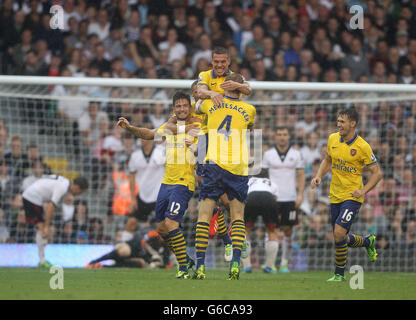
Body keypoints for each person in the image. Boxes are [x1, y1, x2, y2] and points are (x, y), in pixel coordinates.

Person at [117, 91, 199, 279]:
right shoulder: (169, 127)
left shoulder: (197, 126)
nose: (181, 108)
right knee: (161, 229)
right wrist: (129, 128)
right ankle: (185, 260)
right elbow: (149, 134)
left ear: (190, 107)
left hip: (183, 182)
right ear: (173, 109)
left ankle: (183, 267)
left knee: (171, 224)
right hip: (166, 183)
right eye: (178, 106)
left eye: (185, 105)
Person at [193, 72, 256, 280]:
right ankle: (236, 266)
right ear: (242, 89)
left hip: (214, 164)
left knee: (204, 215)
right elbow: (250, 126)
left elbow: (195, 104)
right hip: (238, 167)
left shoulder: (211, 104)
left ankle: (200, 267)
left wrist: (210, 93)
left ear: (227, 86)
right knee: (238, 217)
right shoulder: (249, 109)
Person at [311, 107, 383, 282]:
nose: (338, 125)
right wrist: (319, 176)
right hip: (335, 194)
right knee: (339, 236)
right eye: (338, 121)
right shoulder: (332, 139)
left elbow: (377, 173)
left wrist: (363, 191)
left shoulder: (363, 146)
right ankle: (367, 242)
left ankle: (339, 274)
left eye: (342, 122)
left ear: (353, 123)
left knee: (338, 232)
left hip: (353, 195)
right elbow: (328, 159)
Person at [262, 126, 306, 273]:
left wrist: (300, 195)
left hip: (290, 198)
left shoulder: (296, 154)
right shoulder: (268, 155)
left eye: (284, 134)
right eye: (279, 134)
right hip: (272, 198)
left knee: (288, 230)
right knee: (270, 229)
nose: (282, 137)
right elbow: (263, 176)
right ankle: (270, 263)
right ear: (275, 137)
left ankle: (285, 263)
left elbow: (301, 175)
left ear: (288, 137)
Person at [21, 175, 89, 267]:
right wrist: (47, 226)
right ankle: (42, 261)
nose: (78, 194)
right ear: (77, 187)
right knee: (43, 231)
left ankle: (42, 260)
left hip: (31, 195)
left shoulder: (64, 181)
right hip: (33, 198)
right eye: (80, 192)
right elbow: (51, 206)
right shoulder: (62, 187)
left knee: (41, 230)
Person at [120, 136, 165, 242]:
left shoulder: (162, 152)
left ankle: (169, 255)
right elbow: (131, 176)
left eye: (144, 136)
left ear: (151, 138)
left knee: (163, 229)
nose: (141, 139)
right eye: (140, 136)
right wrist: (133, 199)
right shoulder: (135, 156)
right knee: (131, 223)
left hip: (159, 196)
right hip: (142, 195)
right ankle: (123, 250)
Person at [241, 168, 279, 274]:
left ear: (253, 176)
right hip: (268, 198)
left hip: (251, 198)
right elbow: (275, 200)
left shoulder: (249, 181)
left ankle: (247, 266)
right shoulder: (272, 183)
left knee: (245, 231)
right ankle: (269, 267)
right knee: (272, 232)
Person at [86, 229, 170, 269]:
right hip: (132, 247)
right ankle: (94, 262)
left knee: (142, 264)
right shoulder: (153, 234)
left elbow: (166, 263)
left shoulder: (167, 246)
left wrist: (157, 264)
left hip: (140, 257)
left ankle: (103, 266)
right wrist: (150, 257)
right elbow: (142, 243)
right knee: (125, 251)